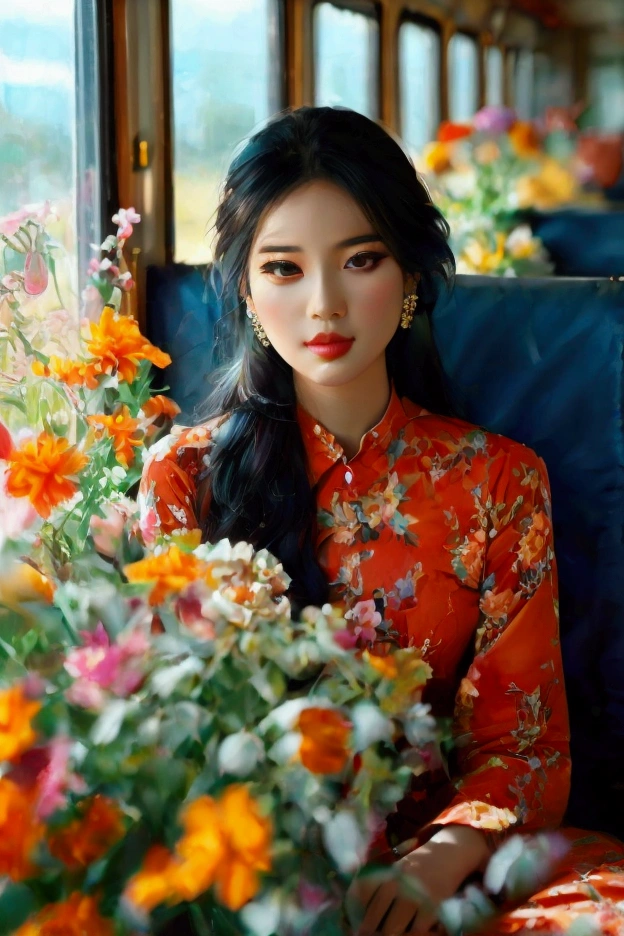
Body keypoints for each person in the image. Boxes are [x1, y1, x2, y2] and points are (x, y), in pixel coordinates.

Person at [140, 106, 624, 935]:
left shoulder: (497, 483)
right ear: (249, 294)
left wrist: (435, 865)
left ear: (407, 276)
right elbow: (170, 739)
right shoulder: (184, 478)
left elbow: (524, 747)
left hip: (462, 864)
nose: (324, 305)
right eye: (284, 270)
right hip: (256, 865)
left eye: (359, 260)